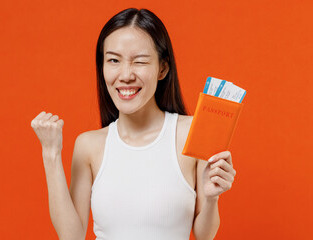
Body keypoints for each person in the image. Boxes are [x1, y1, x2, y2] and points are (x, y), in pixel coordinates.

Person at [31, 8, 236, 240]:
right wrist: (51, 154)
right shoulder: (88, 145)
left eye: (139, 61)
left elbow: (204, 236)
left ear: (163, 68)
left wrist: (211, 198)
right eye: (113, 60)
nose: (125, 74)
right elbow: (71, 236)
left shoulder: (191, 132)